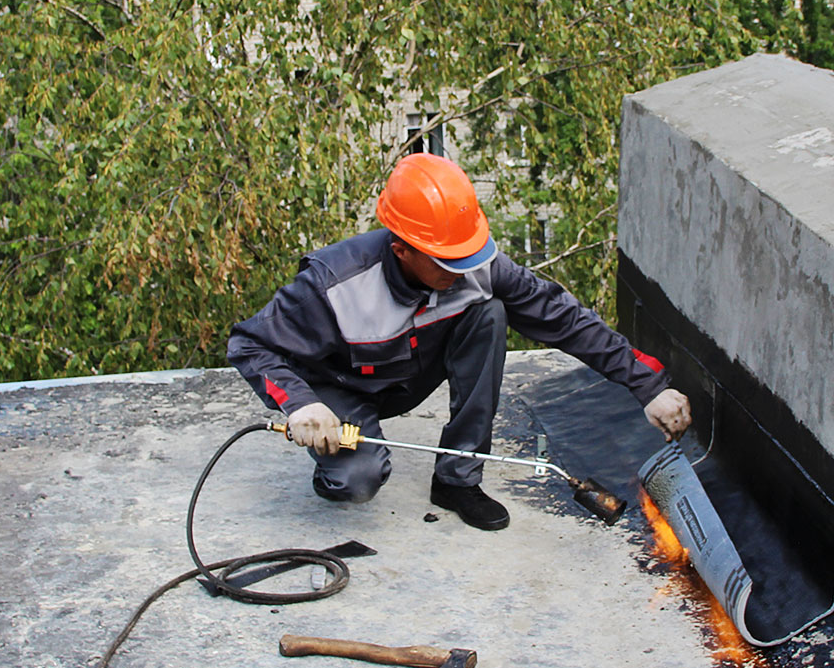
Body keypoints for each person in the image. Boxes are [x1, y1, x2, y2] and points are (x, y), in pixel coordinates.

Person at [227, 153, 691, 531]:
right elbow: (250, 344)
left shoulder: (476, 265)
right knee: (357, 481)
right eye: (447, 260)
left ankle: (458, 480)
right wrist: (302, 405)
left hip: (408, 375)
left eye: (468, 254)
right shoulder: (334, 284)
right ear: (402, 250)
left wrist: (647, 386)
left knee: (490, 312)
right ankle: (339, 463)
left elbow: (563, 318)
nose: (463, 269)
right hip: (341, 390)